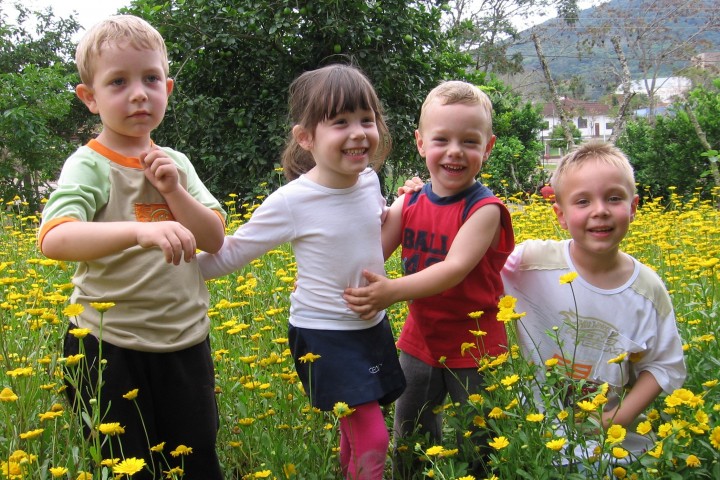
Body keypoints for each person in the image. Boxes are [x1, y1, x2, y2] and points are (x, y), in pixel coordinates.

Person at [38, 15, 226, 479]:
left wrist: (173, 191)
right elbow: (55, 237)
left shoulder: (176, 163)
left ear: (168, 87)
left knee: (195, 460)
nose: (138, 93)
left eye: (150, 78)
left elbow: (214, 238)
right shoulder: (89, 165)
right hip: (107, 347)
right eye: (118, 82)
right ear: (90, 98)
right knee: (127, 468)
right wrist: (139, 231)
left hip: (185, 342)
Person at [197, 63, 406, 480]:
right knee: (375, 438)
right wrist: (172, 268)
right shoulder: (293, 201)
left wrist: (405, 202)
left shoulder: (367, 179)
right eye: (341, 122)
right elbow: (231, 252)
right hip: (324, 333)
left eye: (367, 119)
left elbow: (373, 229)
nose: (359, 132)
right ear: (306, 137)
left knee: (356, 425)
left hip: (370, 325)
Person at [343, 80, 515, 477]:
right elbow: (371, 253)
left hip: (477, 347)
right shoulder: (410, 201)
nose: (455, 151)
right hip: (420, 342)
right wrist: (324, 278)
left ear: (487, 148)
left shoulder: (485, 209)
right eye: (442, 139)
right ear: (421, 144)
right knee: (412, 431)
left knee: (482, 438)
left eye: (470, 142)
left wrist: (391, 292)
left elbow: (454, 269)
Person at [501, 140, 686, 457]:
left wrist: (615, 418)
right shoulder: (529, 262)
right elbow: (474, 268)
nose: (600, 210)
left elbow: (664, 366)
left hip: (612, 448)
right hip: (533, 440)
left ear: (633, 207)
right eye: (583, 201)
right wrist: (421, 198)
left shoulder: (647, 290)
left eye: (614, 198)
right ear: (560, 215)